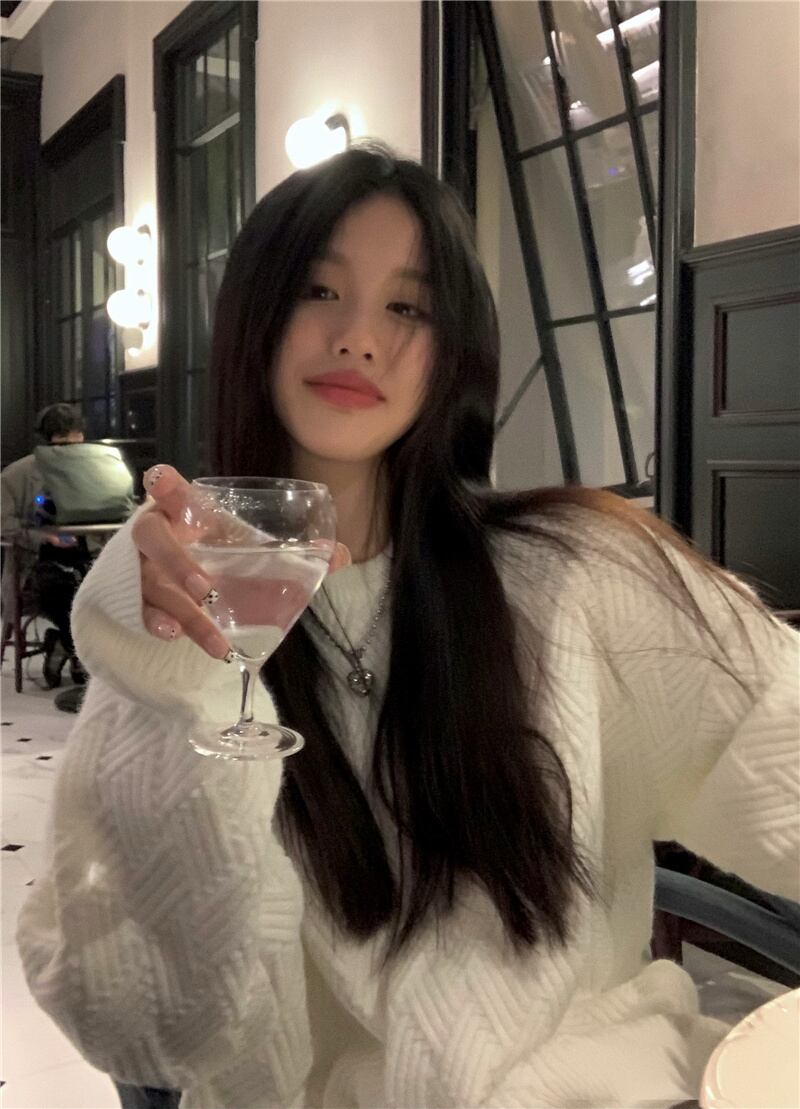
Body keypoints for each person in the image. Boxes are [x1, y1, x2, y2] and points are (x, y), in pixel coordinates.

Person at [17, 145, 799, 1109]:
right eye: (319, 290)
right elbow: (148, 1024)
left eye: (407, 307)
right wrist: (166, 674)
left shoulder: (576, 572)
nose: (357, 338)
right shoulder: (182, 611)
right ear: (255, 316)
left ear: (452, 350)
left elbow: (779, 742)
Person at [1, 403, 91, 687]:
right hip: (36, 563)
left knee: (113, 589)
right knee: (62, 591)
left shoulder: (94, 470)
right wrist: (44, 537)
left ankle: (65, 645)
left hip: (87, 555)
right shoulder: (18, 475)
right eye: (63, 442)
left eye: (76, 441)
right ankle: (79, 652)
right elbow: (3, 522)